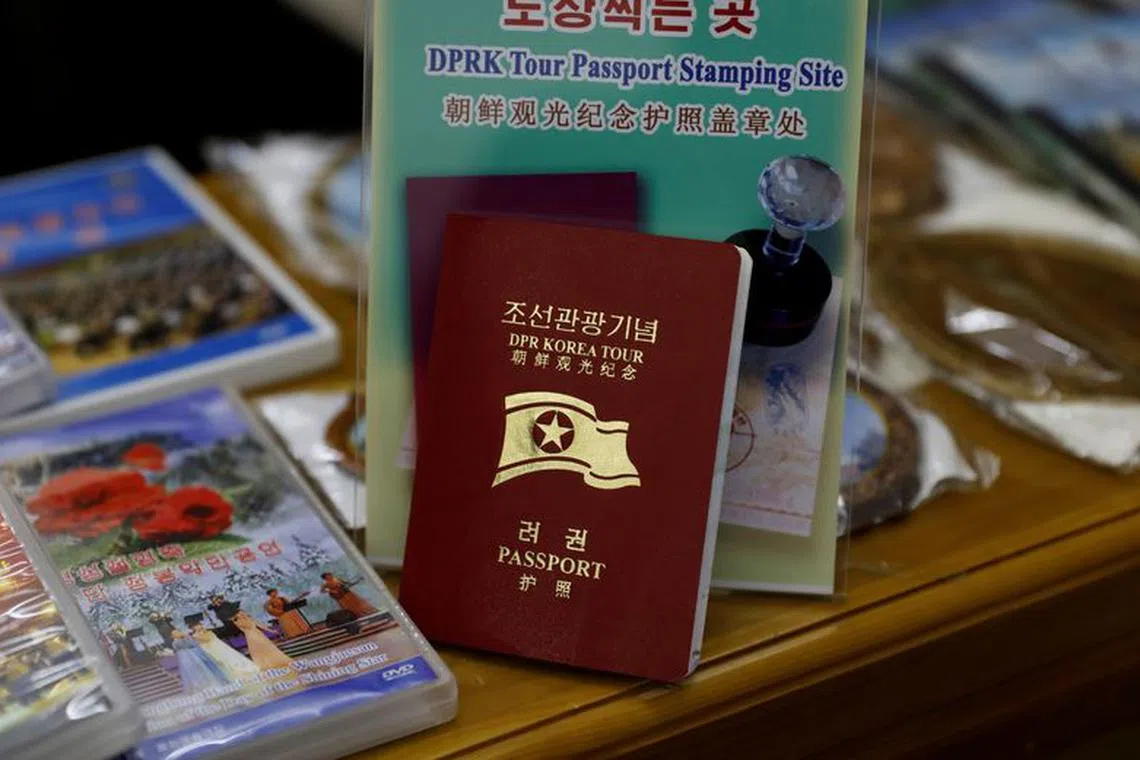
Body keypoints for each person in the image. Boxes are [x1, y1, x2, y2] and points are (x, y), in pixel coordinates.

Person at [191, 622, 259, 681]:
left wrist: (199, 635)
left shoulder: (209, 633)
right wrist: (197, 636)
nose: (201, 629)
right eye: (198, 628)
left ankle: (242, 672)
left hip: (220, 649)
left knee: (230, 660)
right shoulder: (196, 636)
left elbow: (208, 638)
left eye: (201, 627)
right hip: (211, 651)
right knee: (222, 664)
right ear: (194, 629)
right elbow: (202, 641)